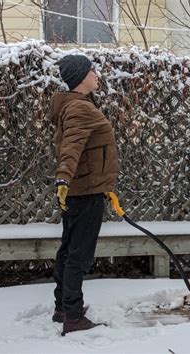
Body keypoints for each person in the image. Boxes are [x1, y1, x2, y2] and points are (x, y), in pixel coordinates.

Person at [48, 55, 118, 335]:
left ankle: (63, 307)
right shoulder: (79, 108)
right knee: (78, 254)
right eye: (92, 70)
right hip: (85, 191)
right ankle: (73, 316)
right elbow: (72, 147)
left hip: (83, 190)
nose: (97, 74)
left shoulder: (77, 105)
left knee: (69, 249)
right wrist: (63, 177)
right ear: (80, 76)